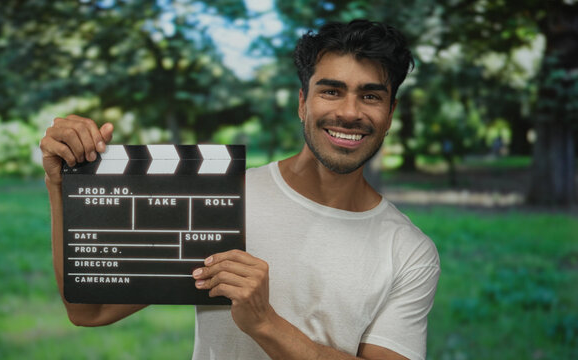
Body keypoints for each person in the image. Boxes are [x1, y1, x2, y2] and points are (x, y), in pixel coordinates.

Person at [40, 19, 440, 360]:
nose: (350, 112)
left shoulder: (407, 251)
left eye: (370, 96)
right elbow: (89, 310)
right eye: (331, 91)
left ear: (390, 114)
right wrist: (60, 185)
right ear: (303, 103)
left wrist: (265, 324)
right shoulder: (220, 199)